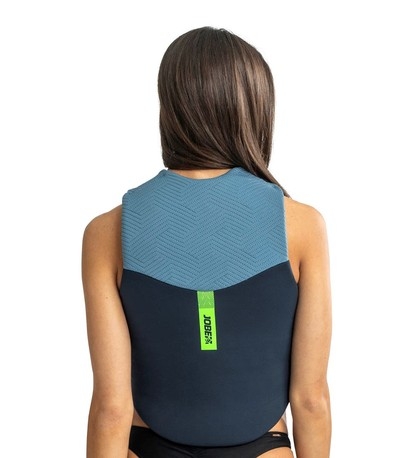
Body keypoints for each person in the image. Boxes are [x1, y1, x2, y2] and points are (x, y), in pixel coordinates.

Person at [82, 26, 332, 458]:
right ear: (255, 109)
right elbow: (311, 400)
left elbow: (111, 409)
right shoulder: (301, 226)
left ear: (169, 108)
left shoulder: (107, 232)